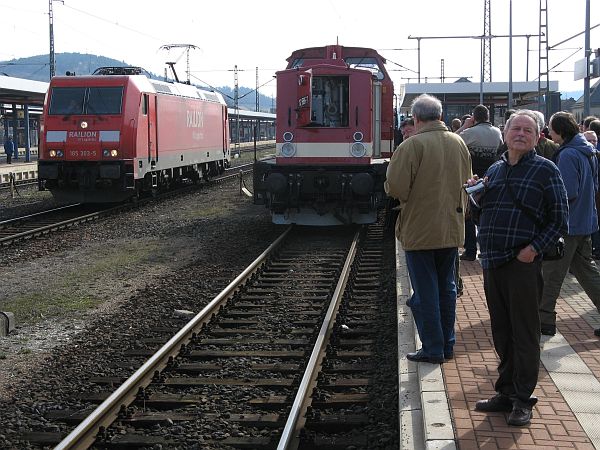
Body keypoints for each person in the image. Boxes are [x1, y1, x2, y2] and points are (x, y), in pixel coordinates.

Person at [470, 109, 568, 427]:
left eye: (528, 129)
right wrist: (475, 195)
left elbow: (559, 220)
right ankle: (506, 391)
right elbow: (479, 215)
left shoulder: (546, 170)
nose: (521, 134)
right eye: (516, 128)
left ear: (537, 136)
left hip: (522, 263)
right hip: (493, 261)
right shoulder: (496, 170)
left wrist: (534, 249)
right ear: (505, 132)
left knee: (524, 333)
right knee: (501, 331)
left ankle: (523, 400)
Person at [385, 93, 472, 364]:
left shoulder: (412, 146)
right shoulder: (458, 142)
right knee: (446, 288)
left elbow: (396, 187)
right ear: (441, 115)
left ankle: (432, 348)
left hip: (421, 230)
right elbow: (467, 182)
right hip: (451, 227)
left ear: (415, 117)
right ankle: (447, 344)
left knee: (425, 292)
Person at [539, 111, 600, 338]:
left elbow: (566, 192)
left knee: (552, 274)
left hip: (568, 224)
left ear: (560, 131)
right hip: (585, 221)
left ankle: (544, 320)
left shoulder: (567, 155)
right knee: (587, 272)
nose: (548, 132)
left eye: (551, 128)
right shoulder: (587, 151)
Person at [457, 105, 503, 261]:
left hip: (472, 179)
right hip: (491, 178)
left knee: (470, 215)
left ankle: (470, 251)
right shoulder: (497, 132)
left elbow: (451, 140)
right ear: (488, 116)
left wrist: (465, 126)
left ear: (474, 117)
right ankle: (486, 249)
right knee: (488, 215)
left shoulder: (470, 132)